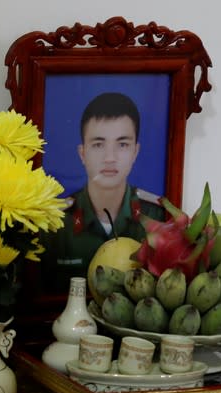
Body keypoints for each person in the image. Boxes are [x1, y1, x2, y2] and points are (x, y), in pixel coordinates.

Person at [41, 92, 166, 291]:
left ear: (136, 152)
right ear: (82, 154)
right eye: (98, 144)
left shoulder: (157, 216)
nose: (110, 157)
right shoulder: (56, 222)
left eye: (122, 144)